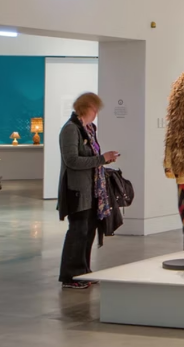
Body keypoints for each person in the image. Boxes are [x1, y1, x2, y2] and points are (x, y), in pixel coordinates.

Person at [57, 92, 119, 289]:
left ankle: (83, 271)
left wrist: (103, 159)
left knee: (88, 232)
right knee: (77, 232)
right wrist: (102, 159)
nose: (96, 114)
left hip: (92, 191)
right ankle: (70, 275)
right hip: (77, 191)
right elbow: (72, 160)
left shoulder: (89, 129)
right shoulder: (70, 129)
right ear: (85, 108)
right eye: (94, 109)